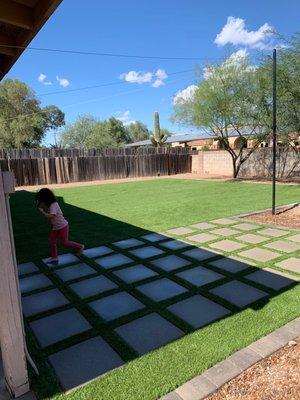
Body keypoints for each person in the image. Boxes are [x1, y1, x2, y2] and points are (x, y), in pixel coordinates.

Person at [36, 188, 84, 265]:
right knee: (52, 242)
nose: (42, 201)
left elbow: (51, 216)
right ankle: (54, 258)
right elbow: (50, 218)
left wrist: (42, 212)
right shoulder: (50, 205)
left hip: (62, 226)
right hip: (56, 227)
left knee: (65, 243)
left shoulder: (53, 204)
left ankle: (80, 246)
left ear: (46, 198)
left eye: (42, 199)